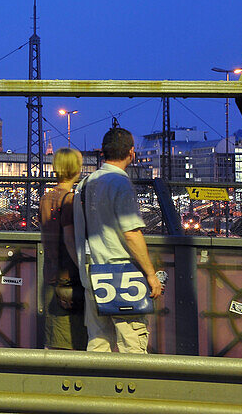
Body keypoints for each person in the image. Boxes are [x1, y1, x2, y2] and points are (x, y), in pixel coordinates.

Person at [74, 126, 163, 352]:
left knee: (98, 342)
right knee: (132, 344)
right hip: (121, 275)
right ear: (131, 153)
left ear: (103, 152)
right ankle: (133, 386)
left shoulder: (85, 184)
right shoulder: (120, 183)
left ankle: (97, 386)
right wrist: (151, 275)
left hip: (92, 273)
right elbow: (131, 233)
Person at [39, 147, 86, 350]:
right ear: (75, 169)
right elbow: (69, 240)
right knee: (71, 341)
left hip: (50, 275)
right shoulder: (70, 199)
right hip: (68, 279)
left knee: (54, 340)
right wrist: (85, 271)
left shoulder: (46, 198)